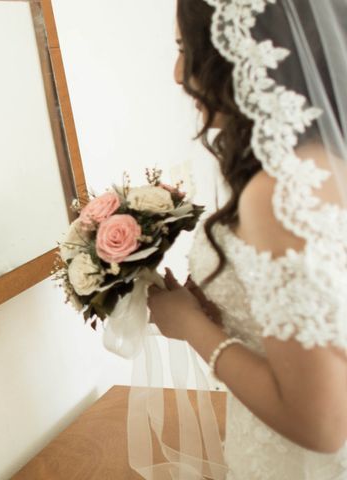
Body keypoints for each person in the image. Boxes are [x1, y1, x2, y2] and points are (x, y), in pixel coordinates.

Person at [144, 0, 347, 478]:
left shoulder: (278, 192)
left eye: (184, 50)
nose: (177, 74)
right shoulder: (326, 162)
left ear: (243, 51)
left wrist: (189, 325)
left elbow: (322, 425)